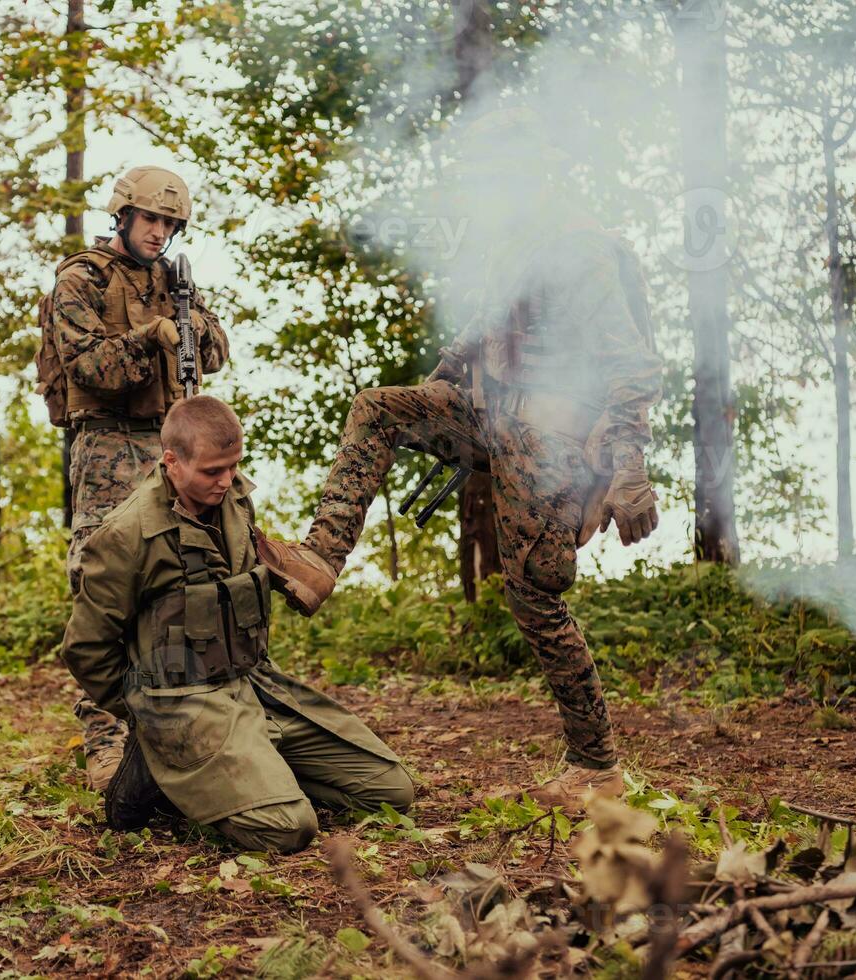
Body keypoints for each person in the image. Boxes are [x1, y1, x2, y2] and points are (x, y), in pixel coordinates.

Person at [257, 108, 663, 812]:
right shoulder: (518, 243)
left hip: (551, 439)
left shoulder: (580, 246)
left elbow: (632, 364)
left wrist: (629, 468)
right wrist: (437, 390)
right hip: (492, 415)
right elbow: (484, 331)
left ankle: (596, 765)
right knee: (377, 406)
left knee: (533, 594)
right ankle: (321, 558)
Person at [61, 396, 413, 853]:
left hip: (255, 687)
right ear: (171, 461)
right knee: (290, 828)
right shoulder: (125, 536)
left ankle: (254, 770)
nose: (226, 480)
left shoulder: (235, 503)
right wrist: (148, 716)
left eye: (233, 466)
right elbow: (86, 648)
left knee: (391, 790)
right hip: (185, 707)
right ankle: (160, 768)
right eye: (212, 471)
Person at [42, 166, 230, 789]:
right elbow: (90, 366)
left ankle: (178, 721)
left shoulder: (176, 282)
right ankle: (105, 736)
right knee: (104, 577)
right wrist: (151, 337)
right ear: (122, 215)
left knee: (187, 574)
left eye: (171, 223)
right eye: (151, 219)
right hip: (106, 443)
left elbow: (217, 353)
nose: (160, 232)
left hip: (171, 440)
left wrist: (196, 330)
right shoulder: (82, 278)